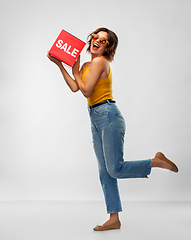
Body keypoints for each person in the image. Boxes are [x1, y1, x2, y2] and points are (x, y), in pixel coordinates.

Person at [47, 27, 179, 231]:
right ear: (90, 39)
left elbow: (86, 90)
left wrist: (74, 70)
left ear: (108, 48)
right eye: (95, 37)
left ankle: (156, 162)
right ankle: (114, 218)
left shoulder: (100, 62)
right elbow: (76, 87)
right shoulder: (86, 65)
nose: (97, 41)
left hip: (108, 115)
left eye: (104, 41)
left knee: (115, 168)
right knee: (105, 172)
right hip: (95, 117)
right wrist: (59, 65)